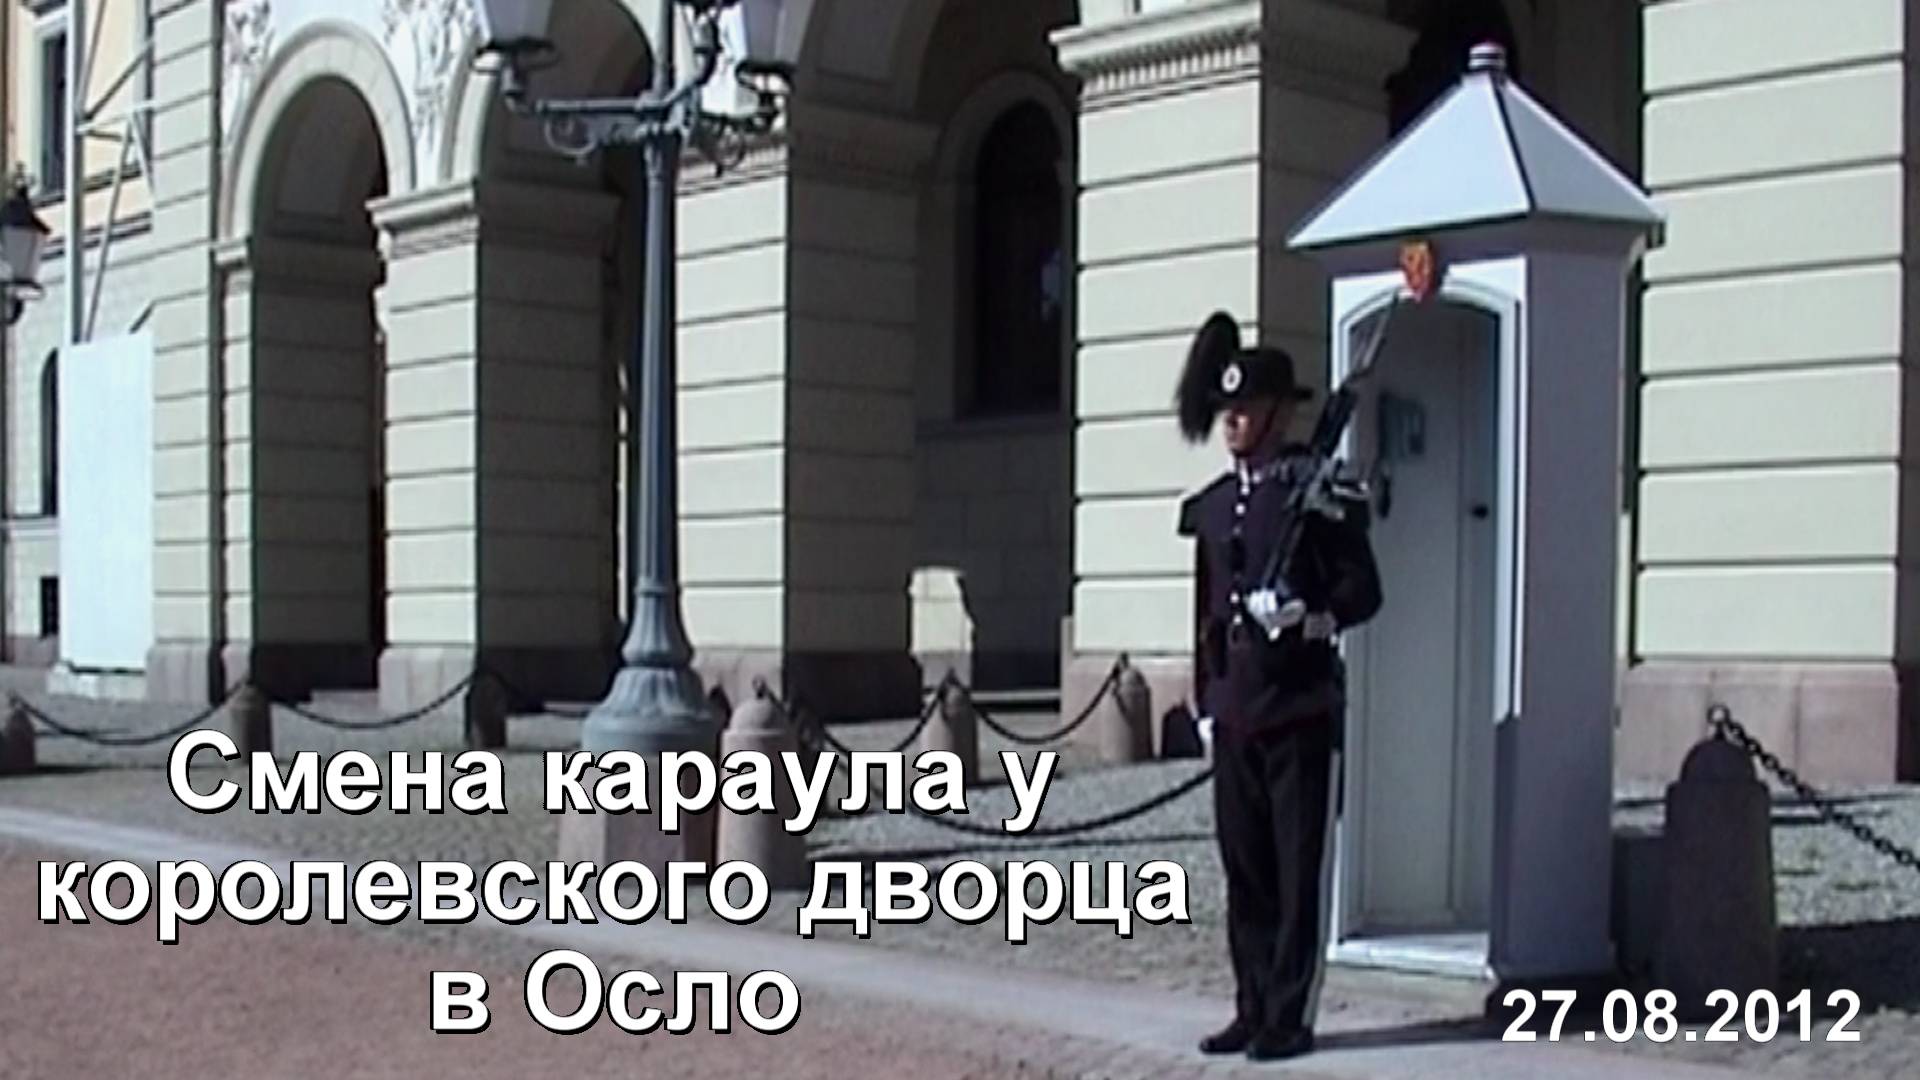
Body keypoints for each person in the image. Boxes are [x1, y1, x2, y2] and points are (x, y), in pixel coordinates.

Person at [1174, 311, 1383, 1062]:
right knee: (1246, 872)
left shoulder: (1320, 493)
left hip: (1297, 706)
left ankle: (1289, 1016)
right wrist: (1206, 700)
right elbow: (1206, 612)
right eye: (1227, 410)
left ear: (1279, 416)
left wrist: (1308, 613)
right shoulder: (1213, 506)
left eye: (1247, 409)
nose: (1232, 421)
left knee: (1296, 874)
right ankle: (1251, 1003)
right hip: (1236, 708)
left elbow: (1364, 593)